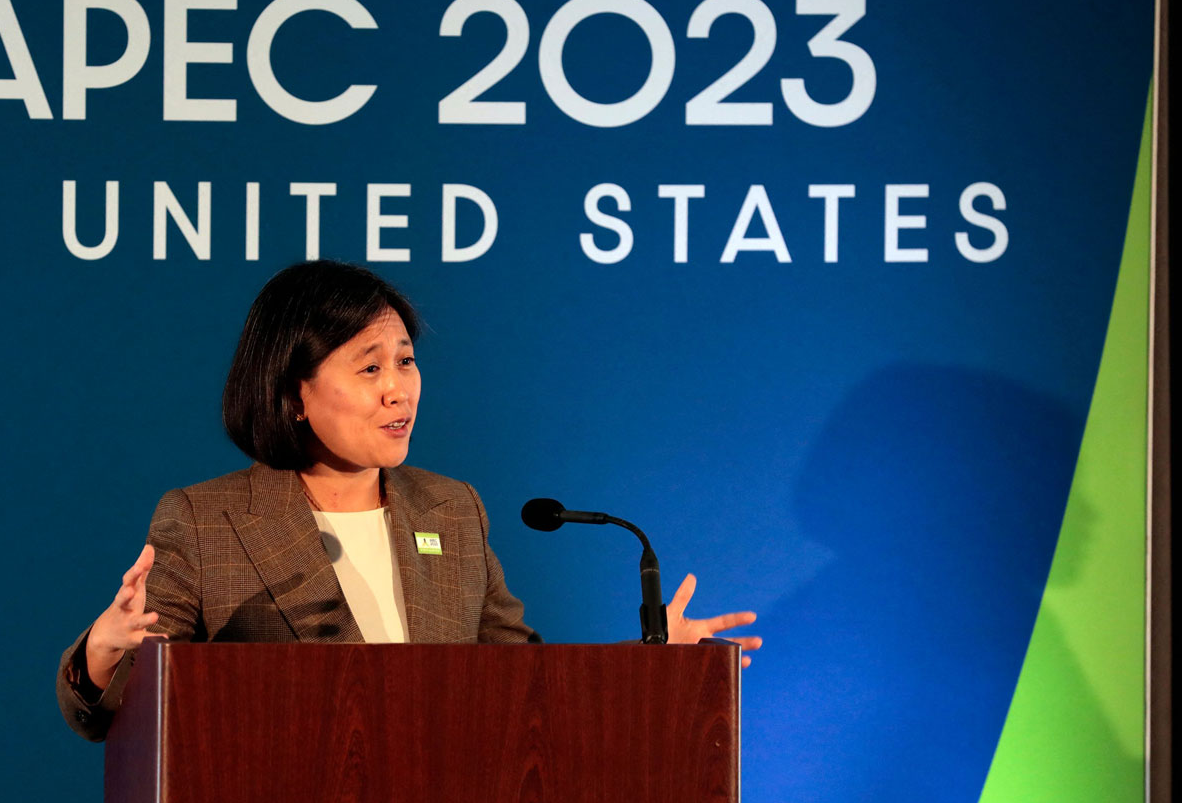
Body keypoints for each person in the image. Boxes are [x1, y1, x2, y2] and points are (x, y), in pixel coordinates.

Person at [57, 261, 759, 741]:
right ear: (293, 394)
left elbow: (523, 686)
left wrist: (647, 667)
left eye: (406, 360)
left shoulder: (450, 510)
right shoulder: (206, 520)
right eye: (370, 368)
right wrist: (103, 650)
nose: (400, 388)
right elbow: (114, 713)